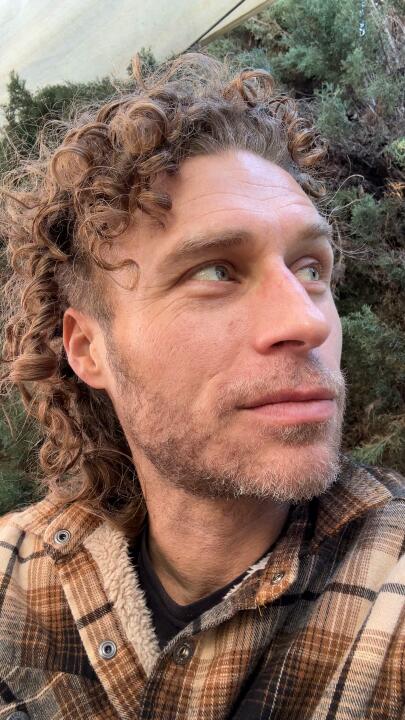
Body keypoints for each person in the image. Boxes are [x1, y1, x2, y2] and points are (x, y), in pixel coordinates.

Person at [0, 53, 403, 720]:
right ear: (88, 349)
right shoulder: (18, 573)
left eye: (310, 268)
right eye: (215, 271)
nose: (307, 321)